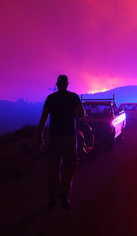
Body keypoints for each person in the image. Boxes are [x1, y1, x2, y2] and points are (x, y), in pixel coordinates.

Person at [36, 75, 85, 210]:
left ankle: (52, 198)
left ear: (57, 85)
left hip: (54, 136)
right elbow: (81, 114)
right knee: (69, 166)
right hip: (69, 136)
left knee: (53, 168)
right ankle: (64, 193)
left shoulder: (51, 99)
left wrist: (39, 136)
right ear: (67, 84)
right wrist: (72, 114)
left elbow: (43, 118)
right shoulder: (74, 97)